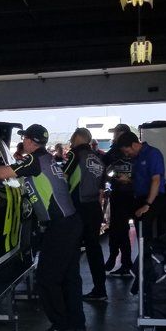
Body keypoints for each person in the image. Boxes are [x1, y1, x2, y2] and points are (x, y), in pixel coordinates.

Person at [0, 124, 86, 331]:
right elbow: (16, 180)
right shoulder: (47, 159)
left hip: (60, 227)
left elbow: (5, 172)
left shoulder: (34, 160)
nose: (23, 141)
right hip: (71, 223)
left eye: (24, 138)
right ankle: (78, 325)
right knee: (70, 277)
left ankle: (62, 326)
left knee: (46, 278)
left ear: (31, 141)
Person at [64, 128, 107, 302]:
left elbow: (62, 176)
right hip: (94, 207)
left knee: (72, 249)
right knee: (94, 249)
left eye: (72, 137)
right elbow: (102, 187)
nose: (71, 141)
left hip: (77, 207)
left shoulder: (76, 154)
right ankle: (100, 289)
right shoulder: (98, 157)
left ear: (77, 137)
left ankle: (70, 291)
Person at [117, 130, 166, 240]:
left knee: (145, 227)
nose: (126, 154)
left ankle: (148, 255)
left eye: (127, 151)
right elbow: (141, 180)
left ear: (134, 145)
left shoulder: (152, 153)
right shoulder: (136, 159)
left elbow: (156, 180)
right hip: (139, 197)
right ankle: (143, 254)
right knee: (137, 227)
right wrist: (128, 180)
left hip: (154, 198)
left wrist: (147, 205)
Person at [103, 124, 134, 276]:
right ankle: (119, 259)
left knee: (120, 229)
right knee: (117, 229)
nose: (114, 136)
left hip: (128, 194)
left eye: (116, 134)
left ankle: (124, 262)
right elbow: (104, 168)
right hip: (118, 193)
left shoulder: (129, 151)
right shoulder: (113, 152)